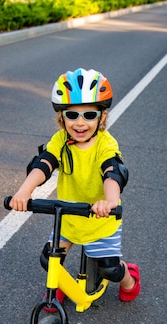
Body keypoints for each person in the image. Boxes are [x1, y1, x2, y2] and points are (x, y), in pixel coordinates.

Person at [9, 68, 140, 305]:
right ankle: (63, 284)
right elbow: (44, 164)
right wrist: (24, 191)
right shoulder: (60, 141)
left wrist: (109, 202)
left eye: (89, 115)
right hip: (69, 217)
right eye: (72, 115)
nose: (80, 123)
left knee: (109, 270)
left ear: (101, 117)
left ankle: (130, 279)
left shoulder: (105, 144)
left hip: (101, 217)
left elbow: (113, 172)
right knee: (49, 260)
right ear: (62, 117)